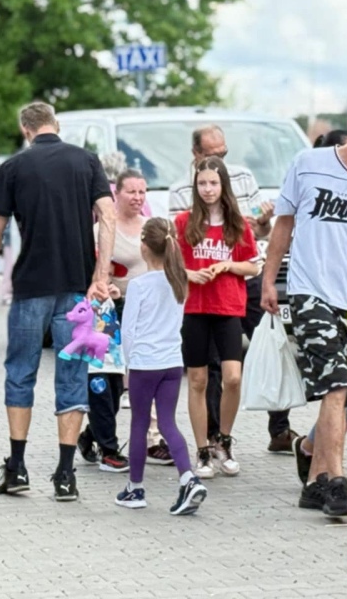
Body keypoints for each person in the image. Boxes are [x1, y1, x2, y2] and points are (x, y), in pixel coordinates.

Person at [0, 101, 116, 502]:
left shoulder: (13, 169)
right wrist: (100, 276)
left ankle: (16, 468)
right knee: (72, 376)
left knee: (21, 373)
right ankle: (66, 474)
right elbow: (108, 215)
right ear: (55, 125)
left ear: (25, 129)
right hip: (76, 289)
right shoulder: (86, 162)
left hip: (31, 286)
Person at [261, 98, 347, 516]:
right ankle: (335, 483)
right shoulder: (308, 163)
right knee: (335, 385)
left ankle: (311, 460)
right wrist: (268, 279)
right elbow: (284, 224)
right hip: (309, 291)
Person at [168, 125, 298, 455]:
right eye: (213, 156)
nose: (220, 161)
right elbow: (174, 251)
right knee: (206, 370)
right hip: (200, 296)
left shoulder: (242, 178)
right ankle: (211, 437)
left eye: (224, 154)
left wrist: (263, 221)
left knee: (270, 344)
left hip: (241, 283)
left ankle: (278, 426)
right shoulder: (181, 193)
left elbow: (258, 235)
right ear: (196, 155)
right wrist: (190, 273)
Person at [116, 217, 208, 515]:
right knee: (168, 422)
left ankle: (135, 488)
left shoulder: (139, 285)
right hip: (172, 361)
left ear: (144, 247)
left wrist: (129, 363)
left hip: (145, 363)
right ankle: (188, 477)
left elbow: (128, 330)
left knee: (140, 423)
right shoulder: (179, 279)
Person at [176, 158, 260, 478]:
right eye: (202, 183)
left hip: (228, 307)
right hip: (195, 309)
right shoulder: (184, 222)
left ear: (223, 185)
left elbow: (252, 265)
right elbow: (170, 266)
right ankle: (202, 451)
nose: (208, 189)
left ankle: (223, 440)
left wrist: (227, 266)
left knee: (233, 377)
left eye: (213, 183)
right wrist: (190, 274)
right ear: (195, 187)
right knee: (197, 380)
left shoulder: (236, 222)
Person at [79, 171, 148, 472]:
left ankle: (90, 436)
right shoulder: (101, 230)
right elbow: (94, 268)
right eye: (131, 191)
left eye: (142, 192)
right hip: (105, 313)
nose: (137, 197)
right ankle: (108, 447)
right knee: (103, 381)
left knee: (119, 388)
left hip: (138, 313)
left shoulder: (150, 228)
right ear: (116, 194)